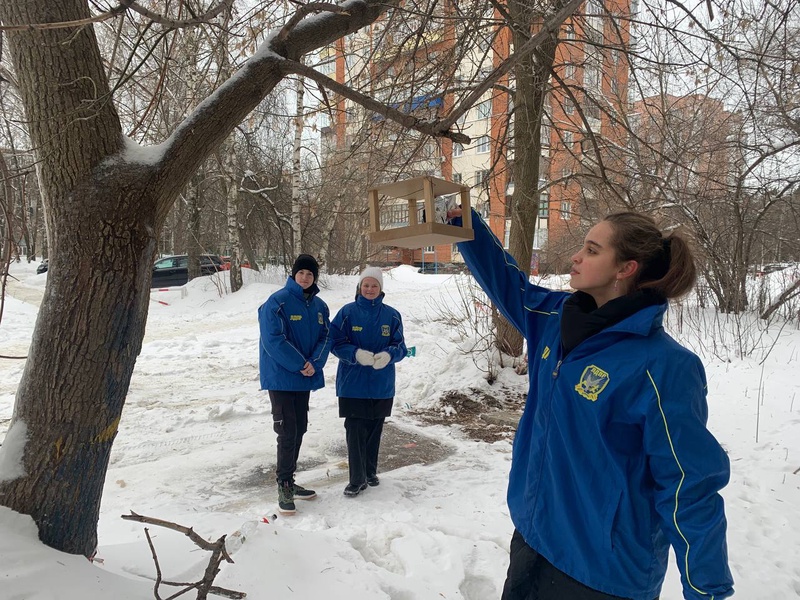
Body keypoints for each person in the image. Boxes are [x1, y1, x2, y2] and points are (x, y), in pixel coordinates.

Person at [448, 208, 733, 600]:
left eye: (592, 250)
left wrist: (707, 589)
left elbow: (688, 484)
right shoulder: (552, 317)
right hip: (534, 539)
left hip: (600, 573)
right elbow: (505, 282)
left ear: (625, 268)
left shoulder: (664, 366)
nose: (576, 257)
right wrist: (461, 223)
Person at [258, 254, 331, 514]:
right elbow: (273, 340)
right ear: (293, 274)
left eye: (310, 275)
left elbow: (326, 338)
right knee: (287, 431)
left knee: (299, 429)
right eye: (301, 273)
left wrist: (315, 363)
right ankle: (284, 484)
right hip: (282, 376)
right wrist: (301, 363)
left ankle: (291, 480)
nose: (305, 278)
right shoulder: (277, 302)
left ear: (314, 278)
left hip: (304, 377)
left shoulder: (320, 306)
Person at [330, 267, 407, 497]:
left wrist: (389, 355)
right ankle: (356, 479)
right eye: (366, 285)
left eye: (374, 285)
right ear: (359, 287)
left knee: (375, 428)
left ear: (381, 288)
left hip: (381, 384)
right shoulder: (347, 313)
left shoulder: (392, 315)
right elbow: (334, 342)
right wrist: (354, 354)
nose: (370, 289)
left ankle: (370, 472)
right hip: (352, 383)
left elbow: (400, 346)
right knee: (355, 430)